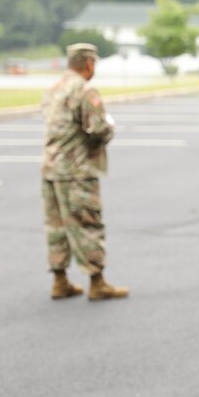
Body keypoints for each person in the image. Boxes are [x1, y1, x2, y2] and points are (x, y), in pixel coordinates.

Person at [41, 43, 128, 301]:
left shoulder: (53, 89)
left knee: (56, 226)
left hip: (50, 168)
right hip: (77, 171)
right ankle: (97, 282)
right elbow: (99, 128)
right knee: (88, 224)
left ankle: (60, 281)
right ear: (89, 64)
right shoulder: (84, 90)